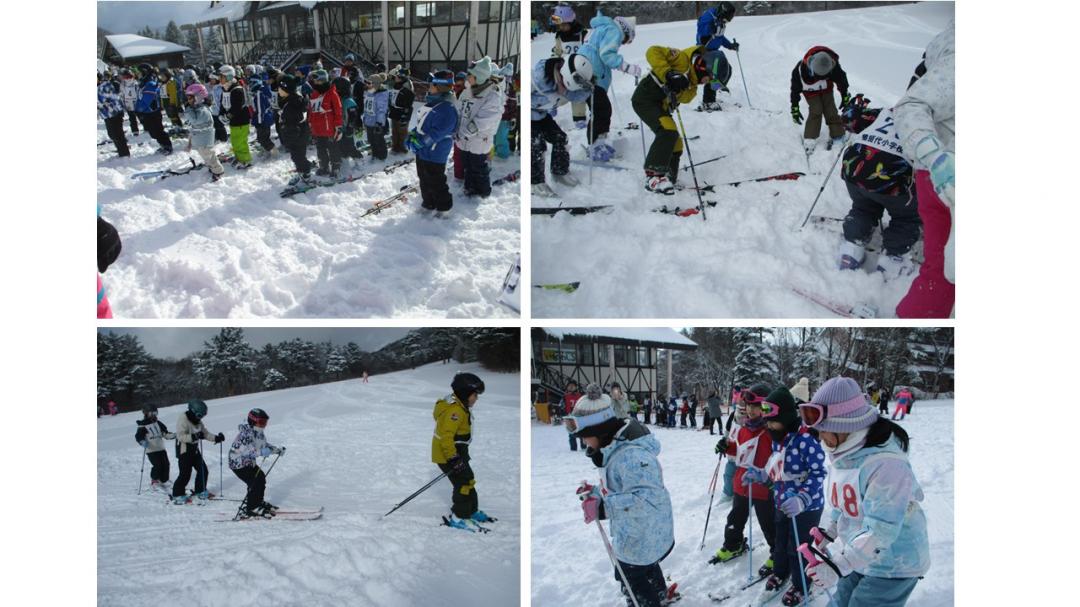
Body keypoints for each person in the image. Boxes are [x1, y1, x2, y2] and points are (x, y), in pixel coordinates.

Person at [798, 377, 930, 606]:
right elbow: (848, 502)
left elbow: (881, 529)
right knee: (840, 601)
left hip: (894, 563)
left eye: (824, 430)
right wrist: (830, 531)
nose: (820, 437)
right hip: (862, 554)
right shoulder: (847, 454)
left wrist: (838, 565)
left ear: (843, 426)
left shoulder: (886, 465)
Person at [569, 390, 676, 607]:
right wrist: (597, 493)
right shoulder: (614, 448)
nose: (585, 443)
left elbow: (645, 499)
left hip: (643, 529)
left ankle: (647, 602)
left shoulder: (632, 456)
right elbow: (619, 487)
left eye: (585, 437)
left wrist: (603, 508)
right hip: (638, 530)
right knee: (642, 566)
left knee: (629, 575)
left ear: (598, 431)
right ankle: (660, 593)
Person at [895, 22, 955, 318]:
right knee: (946, 269)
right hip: (947, 176)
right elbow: (911, 106)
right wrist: (936, 158)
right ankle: (918, 313)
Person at [833, 94, 921, 276]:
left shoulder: (885, 113)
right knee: (907, 217)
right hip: (893, 180)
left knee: (864, 207)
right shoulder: (935, 124)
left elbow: (849, 119)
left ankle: (851, 249)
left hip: (855, 170)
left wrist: (854, 109)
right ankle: (893, 258)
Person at [758, 387, 827, 607]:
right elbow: (777, 469)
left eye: (773, 421)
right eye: (767, 422)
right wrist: (761, 474)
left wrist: (803, 498)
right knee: (780, 542)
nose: (768, 426)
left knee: (798, 546)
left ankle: (802, 584)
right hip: (782, 502)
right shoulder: (778, 439)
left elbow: (819, 473)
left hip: (806, 507)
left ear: (787, 418)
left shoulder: (806, 440)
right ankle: (781, 572)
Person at [632, 46, 722, 194]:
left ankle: (669, 177)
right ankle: (654, 176)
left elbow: (686, 97)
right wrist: (669, 74)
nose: (707, 82)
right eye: (709, 77)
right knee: (668, 131)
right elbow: (652, 51)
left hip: (662, 107)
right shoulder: (681, 59)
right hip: (645, 99)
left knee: (676, 143)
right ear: (703, 67)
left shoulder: (692, 87)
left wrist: (681, 86)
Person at [711, 390, 776, 576]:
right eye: (748, 406)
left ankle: (777, 553)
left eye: (756, 406)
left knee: (769, 524)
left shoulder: (770, 432)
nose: (751, 410)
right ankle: (734, 544)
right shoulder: (743, 429)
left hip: (763, 487)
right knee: (735, 519)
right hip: (742, 483)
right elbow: (738, 451)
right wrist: (726, 446)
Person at [431, 372, 494, 530]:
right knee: (462, 483)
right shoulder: (456, 411)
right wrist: (454, 459)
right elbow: (446, 438)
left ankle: (471, 511)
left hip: (457, 451)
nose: (476, 398)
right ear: (465, 394)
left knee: (468, 479)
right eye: (474, 395)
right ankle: (459, 517)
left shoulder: (460, 406)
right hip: (448, 454)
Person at [577, 13, 640, 161]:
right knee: (602, 110)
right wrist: (627, 67)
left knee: (600, 110)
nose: (623, 44)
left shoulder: (604, 28)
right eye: (626, 41)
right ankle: (595, 146)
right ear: (625, 32)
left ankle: (597, 143)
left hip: (586, 70)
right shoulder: (614, 31)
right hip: (592, 75)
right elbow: (607, 54)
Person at [530, 54, 594, 197]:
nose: (565, 89)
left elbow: (575, 96)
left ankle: (560, 172)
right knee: (537, 145)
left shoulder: (564, 80)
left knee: (560, 137)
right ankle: (535, 183)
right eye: (565, 86)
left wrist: (588, 88)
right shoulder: (537, 78)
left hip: (541, 114)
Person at [406, 70, 459, 217]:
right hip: (424, 151)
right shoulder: (432, 104)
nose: (429, 87)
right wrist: (413, 134)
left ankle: (444, 207)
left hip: (436, 152)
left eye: (432, 85)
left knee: (436, 181)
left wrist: (421, 142)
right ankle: (428, 203)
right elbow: (422, 124)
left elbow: (438, 132)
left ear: (439, 87)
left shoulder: (447, 109)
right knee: (423, 178)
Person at [455, 56, 506, 198]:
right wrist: (456, 128)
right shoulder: (468, 90)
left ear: (479, 77)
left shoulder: (492, 95)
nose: (467, 77)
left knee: (478, 167)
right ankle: (470, 187)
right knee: (467, 165)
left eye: (470, 75)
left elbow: (485, 120)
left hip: (479, 139)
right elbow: (460, 110)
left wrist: (465, 131)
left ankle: (483, 191)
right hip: (464, 139)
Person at [790, 46, 851, 153]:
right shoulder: (799, 72)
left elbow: (841, 79)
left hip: (826, 89)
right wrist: (795, 107)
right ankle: (810, 138)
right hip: (810, 92)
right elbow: (795, 91)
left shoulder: (832, 65)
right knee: (816, 110)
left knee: (831, 110)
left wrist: (844, 95)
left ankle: (838, 135)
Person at [228, 408, 285, 519]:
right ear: (253, 421)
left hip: (249, 463)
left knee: (260, 477)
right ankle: (252, 508)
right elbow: (246, 452)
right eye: (261, 422)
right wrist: (261, 452)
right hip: (238, 464)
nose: (263, 425)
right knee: (255, 481)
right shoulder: (245, 434)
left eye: (265, 422)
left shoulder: (258, 432)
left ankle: (258, 502)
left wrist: (276, 450)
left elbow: (264, 445)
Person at [171, 399, 225, 504]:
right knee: (185, 474)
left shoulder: (197, 421)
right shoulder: (183, 419)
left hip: (194, 449)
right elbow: (180, 436)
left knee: (203, 470)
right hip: (184, 450)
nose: (200, 418)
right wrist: (194, 436)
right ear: (192, 411)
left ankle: (200, 490)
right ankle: (177, 494)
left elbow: (205, 433)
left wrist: (216, 438)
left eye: (202, 416)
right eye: (199, 415)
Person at [550, 3, 589, 128]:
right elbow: (557, 51)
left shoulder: (582, 34)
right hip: (564, 69)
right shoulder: (559, 36)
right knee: (560, 89)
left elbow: (589, 48)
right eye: (559, 25)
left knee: (579, 92)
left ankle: (579, 118)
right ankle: (552, 106)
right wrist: (553, 60)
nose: (561, 27)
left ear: (571, 22)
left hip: (579, 68)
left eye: (564, 25)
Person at [695, 2, 739, 111]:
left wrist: (730, 45)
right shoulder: (708, 17)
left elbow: (720, 37)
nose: (728, 20)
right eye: (728, 17)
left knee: (727, 70)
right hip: (704, 51)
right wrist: (709, 30)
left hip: (714, 51)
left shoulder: (720, 19)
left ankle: (715, 92)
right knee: (715, 72)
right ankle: (708, 102)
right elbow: (701, 32)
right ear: (722, 12)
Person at [182, 83, 225, 182]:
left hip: (205, 139)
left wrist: (188, 110)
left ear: (199, 97)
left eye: (190, 98)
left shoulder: (203, 110)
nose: (188, 101)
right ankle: (211, 166)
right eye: (187, 98)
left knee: (209, 156)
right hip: (200, 139)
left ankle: (218, 171)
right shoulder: (197, 108)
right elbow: (193, 125)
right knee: (205, 155)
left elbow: (194, 120)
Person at [306, 69, 344, 180]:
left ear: (322, 80)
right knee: (320, 149)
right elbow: (311, 110)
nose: (315, 83)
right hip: (318, 128)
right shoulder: (314, 94)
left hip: (329, 128)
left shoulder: (332, 93)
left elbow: (338, 111)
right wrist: (310, 122)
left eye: (317, 80)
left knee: (333, 149)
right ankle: (324, 166)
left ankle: (336, 167)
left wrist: (338, 126)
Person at [277, 75, 314, 187]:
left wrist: (289, 138)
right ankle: (302, 170)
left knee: (298, 156)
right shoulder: (292, 100)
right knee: (297, 156)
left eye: (280, 88)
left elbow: (293, 123)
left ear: (286, 89)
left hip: (297, 136)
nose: (278, 90)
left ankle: (306, 173)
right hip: (298, 135)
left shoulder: (292, 104)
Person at [218, 65, 253, 169]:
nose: (220, 79)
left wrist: (227, 116)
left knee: (240, 142)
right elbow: (223, 103)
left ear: (229, 77)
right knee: (234, 141)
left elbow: (237, 107)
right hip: (233, 121)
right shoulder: (225, 89)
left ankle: (246, 160)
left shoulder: (237, 89)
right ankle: (239, 157)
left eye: (222, 77)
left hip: (241, 120)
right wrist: (221, 114)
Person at [134, 64, 173, 154]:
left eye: (139, 72)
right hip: (147, 112)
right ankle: (163, 145)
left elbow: (147, 100)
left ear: (145, 73)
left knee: (157, 131)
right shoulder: (143, 83)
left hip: (152, 112)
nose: (137, 74)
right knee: (153, 132)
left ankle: (167, 146)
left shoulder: (150, 84)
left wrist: (138, 109)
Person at [135, 405, 176, 491]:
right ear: (146, 414)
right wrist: (142, 442)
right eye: (152, 413)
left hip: (161, 448)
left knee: (166, 464)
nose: (154, 415)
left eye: (155, 413)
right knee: (157, 465)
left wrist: (173, 435)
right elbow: (139, 436)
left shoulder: (158, 423)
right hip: (151, 450)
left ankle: (164, 480)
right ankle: (155, 480)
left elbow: (165, 433)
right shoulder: (143, 425)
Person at [97, 72, 130, 157]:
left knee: (117, 134)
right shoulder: (99, 87)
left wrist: (106, 105)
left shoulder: (105, 86)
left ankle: (124, 153)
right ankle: (121, 149)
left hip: (114, 113)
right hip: (107, 114)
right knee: (112, 134)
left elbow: (114, 98)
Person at [388, 66, 415, 155]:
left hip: (402, 111)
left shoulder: (407, 87)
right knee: (394, 130)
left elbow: (409, 103)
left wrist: (406, 115)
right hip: (394, 110)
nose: (395, 78)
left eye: (398, 77)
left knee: (402, 131)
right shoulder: (396, 85)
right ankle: (395, 146)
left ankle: (403, 147)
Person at [362, 73, 390, 161]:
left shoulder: (381, 95)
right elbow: (367, 107)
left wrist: (379, 123)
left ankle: (382, 155)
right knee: (371, 139)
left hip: (376, 122)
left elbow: (381, 110)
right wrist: (364, 118)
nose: (367, 85)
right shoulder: (369, 93)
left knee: (378, 139)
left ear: (375, 84)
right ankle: (375, 153)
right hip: (369, 121)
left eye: (369, 83)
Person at [250, 74, 277, 156]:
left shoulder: (259, 92)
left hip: (262, 119)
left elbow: (260, 108)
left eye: (252, 82)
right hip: (266, 117)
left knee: (262, 138)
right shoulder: (263, 89)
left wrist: (259, 121)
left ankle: (274, 152)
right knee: (264, 136)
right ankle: (267, 150)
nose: (250, 84)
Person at [561, 381, 585, 450]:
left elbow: (584, 405)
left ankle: (583, 447)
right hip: (569, 417)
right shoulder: (565, 396)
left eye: (573, 386)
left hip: (579, 417)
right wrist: (563, 413)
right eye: (570, 386)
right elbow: (561, 406)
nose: (571, 387)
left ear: (576, 387)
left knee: (582, 432)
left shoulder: (580, 396)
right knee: (571, 434)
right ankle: (573, 448)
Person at [207, 72, 229, 142]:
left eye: (212, 79)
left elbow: (221, 99)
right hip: (213, 110)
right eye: (210, 79)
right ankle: (217, 137)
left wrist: (222, 109)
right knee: (215, 125)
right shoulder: (211, 87)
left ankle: (223, 138)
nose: (211, 80)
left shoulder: (220, 88)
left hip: (219, 109)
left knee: (220, 125)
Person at [118, 68, 141, 136]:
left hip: (132, 102)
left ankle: (136, 130)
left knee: (134, 117)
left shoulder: (134, 82)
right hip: (131, 103)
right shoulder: (125, 83)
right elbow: (122, 93)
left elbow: (122, 93)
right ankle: (136, 130)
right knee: (134, 117)